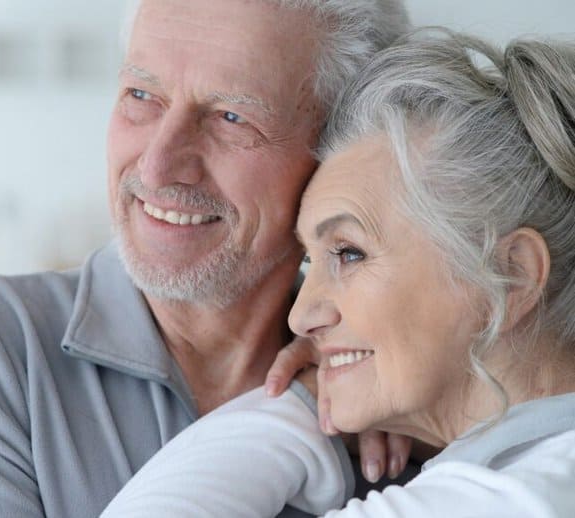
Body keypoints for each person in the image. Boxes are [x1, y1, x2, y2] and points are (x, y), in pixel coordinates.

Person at [0, 0, 412, 516]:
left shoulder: (395, 388)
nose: (156, 167)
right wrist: (287, 412)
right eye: (140, 94)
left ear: (344, 153)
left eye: (230, 116)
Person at [100, 29, 575, 517]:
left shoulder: (520, 496)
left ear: (510, 276)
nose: (302, 316)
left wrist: (297, 406)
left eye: (348, 253)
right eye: (310, 260)